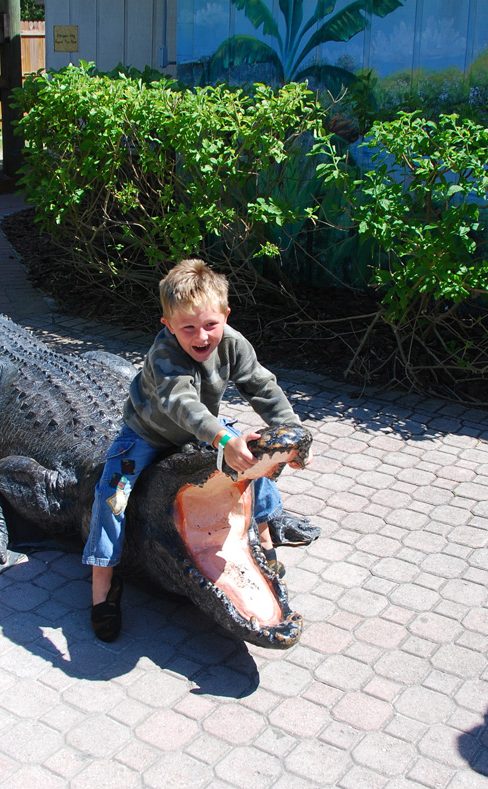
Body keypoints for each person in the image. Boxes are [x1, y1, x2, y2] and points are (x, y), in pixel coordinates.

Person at [83, 258, 319, 641]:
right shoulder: (164, 354)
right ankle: (102, 586)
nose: (201, 336)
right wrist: (223, 440)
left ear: (226, 315)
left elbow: (262, 387)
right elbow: (183, 405)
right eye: (187, 328)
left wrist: (292, 431)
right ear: (168, 325)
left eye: (210, 324)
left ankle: (263, 538)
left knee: (254, 454)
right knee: (112, 496)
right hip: (148, 433)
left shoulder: (234, 344)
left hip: (203, 431)